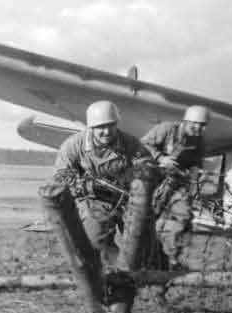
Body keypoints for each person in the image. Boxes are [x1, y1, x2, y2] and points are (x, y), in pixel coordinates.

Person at [53, 100, 155, 268]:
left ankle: (143, 273)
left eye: (111, 125)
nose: (106, 132)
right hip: (94, 200)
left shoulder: (130, 143)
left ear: (117, 124)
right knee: (95, 241)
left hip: (128, 198)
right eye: (101, 127)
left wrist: (139, 176)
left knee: (143, 244)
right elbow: (61, 175)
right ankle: (115, 272)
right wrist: (80, 183)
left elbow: (148, 165)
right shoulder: (73, 145)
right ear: (91, 127)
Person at [141, 105, 210, 269]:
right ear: (185, 121)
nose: (198, 128)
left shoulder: (199, 141)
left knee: (183, 217)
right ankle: (148, 258)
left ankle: (171, 258)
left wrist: (195, 175)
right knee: (148, 221)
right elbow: (142, 145)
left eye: (202, 125)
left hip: (178, 184)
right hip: (153, 181)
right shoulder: (166, 129)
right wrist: (160, 158)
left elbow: (196, 164)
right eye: (194, 124)